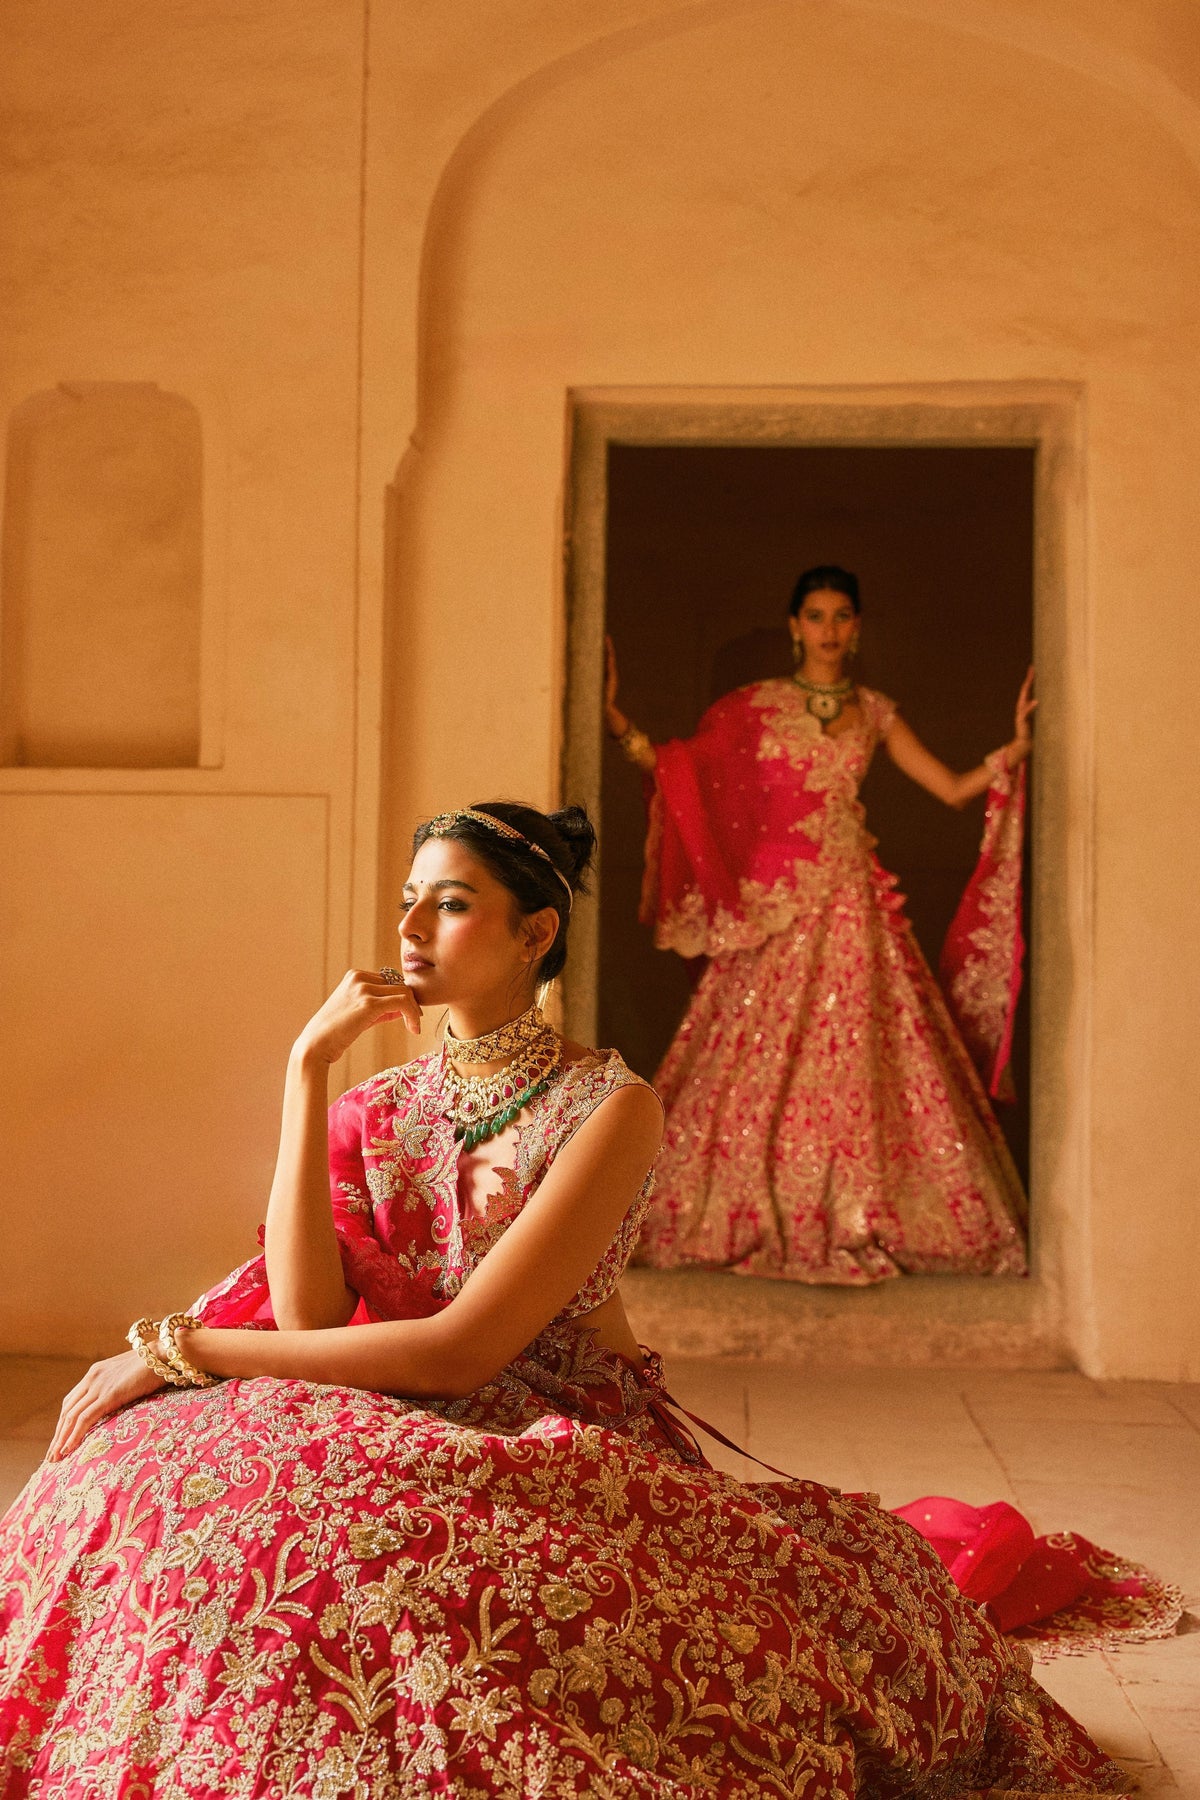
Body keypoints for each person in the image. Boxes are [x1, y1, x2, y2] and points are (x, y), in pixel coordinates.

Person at [0, 802, 1148, 1795]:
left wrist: (186, 1345)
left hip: (552, 1428)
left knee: (361, 1556)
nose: (408, 931)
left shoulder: (609, 1108)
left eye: (448, 905)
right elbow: (304, 1328)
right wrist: (308, 1076)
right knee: (151, 1479)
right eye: (408, 900)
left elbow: (459, 1355)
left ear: (535, 931)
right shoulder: (376, 1104)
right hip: (383, 1407)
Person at [607, 565, 1033, 1283]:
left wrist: (1014, 749)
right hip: (771, 908)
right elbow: (683, 770)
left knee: (863, 1055)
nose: (829, 630)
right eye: (815, 616)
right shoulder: (753, 707)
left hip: (853, 903)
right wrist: (616, 719)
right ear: (794, 625)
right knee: (746, 1057)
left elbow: (954, 790)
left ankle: (859, 1207)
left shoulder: (876, 711)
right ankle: (740, 1208)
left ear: (857, 628)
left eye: (842, 616)